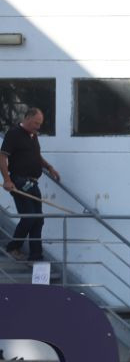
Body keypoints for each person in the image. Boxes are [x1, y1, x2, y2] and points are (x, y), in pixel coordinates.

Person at [1, 107, 60, 263]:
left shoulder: (33, 136)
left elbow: (36, 156)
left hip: (33, 182)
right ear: (27, 118)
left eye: (40, 124)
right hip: (19, 181)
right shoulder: (14, 133)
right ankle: (13, 247)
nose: (38, 127)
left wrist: (49, 167)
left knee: (38, 219)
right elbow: (2, 157)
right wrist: (7, 180)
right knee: (29, 217)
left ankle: (36, 256)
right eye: (36, 123)